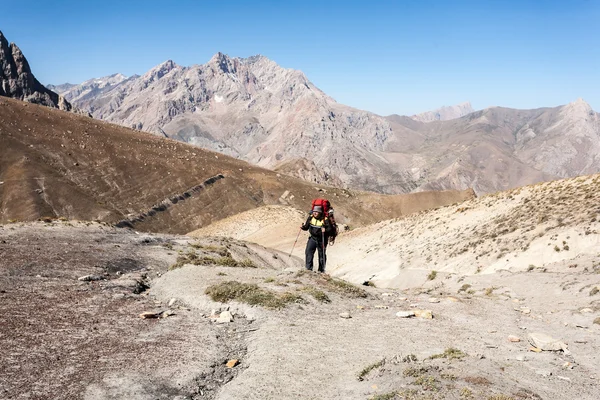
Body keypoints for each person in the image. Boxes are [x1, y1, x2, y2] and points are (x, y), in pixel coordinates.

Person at [300, 205, 334, 273]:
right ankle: (308, 269)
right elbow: (307, 227)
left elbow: (330, 230)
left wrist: (325, 230)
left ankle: (321, 270)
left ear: (320, 212)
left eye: (317, 212)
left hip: (322, 240)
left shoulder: (325, 219)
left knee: (321, 255)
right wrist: (303, 227)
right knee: (308, 252)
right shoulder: (311, 217)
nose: (315, 213)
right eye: (314, 211)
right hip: (312, 238)